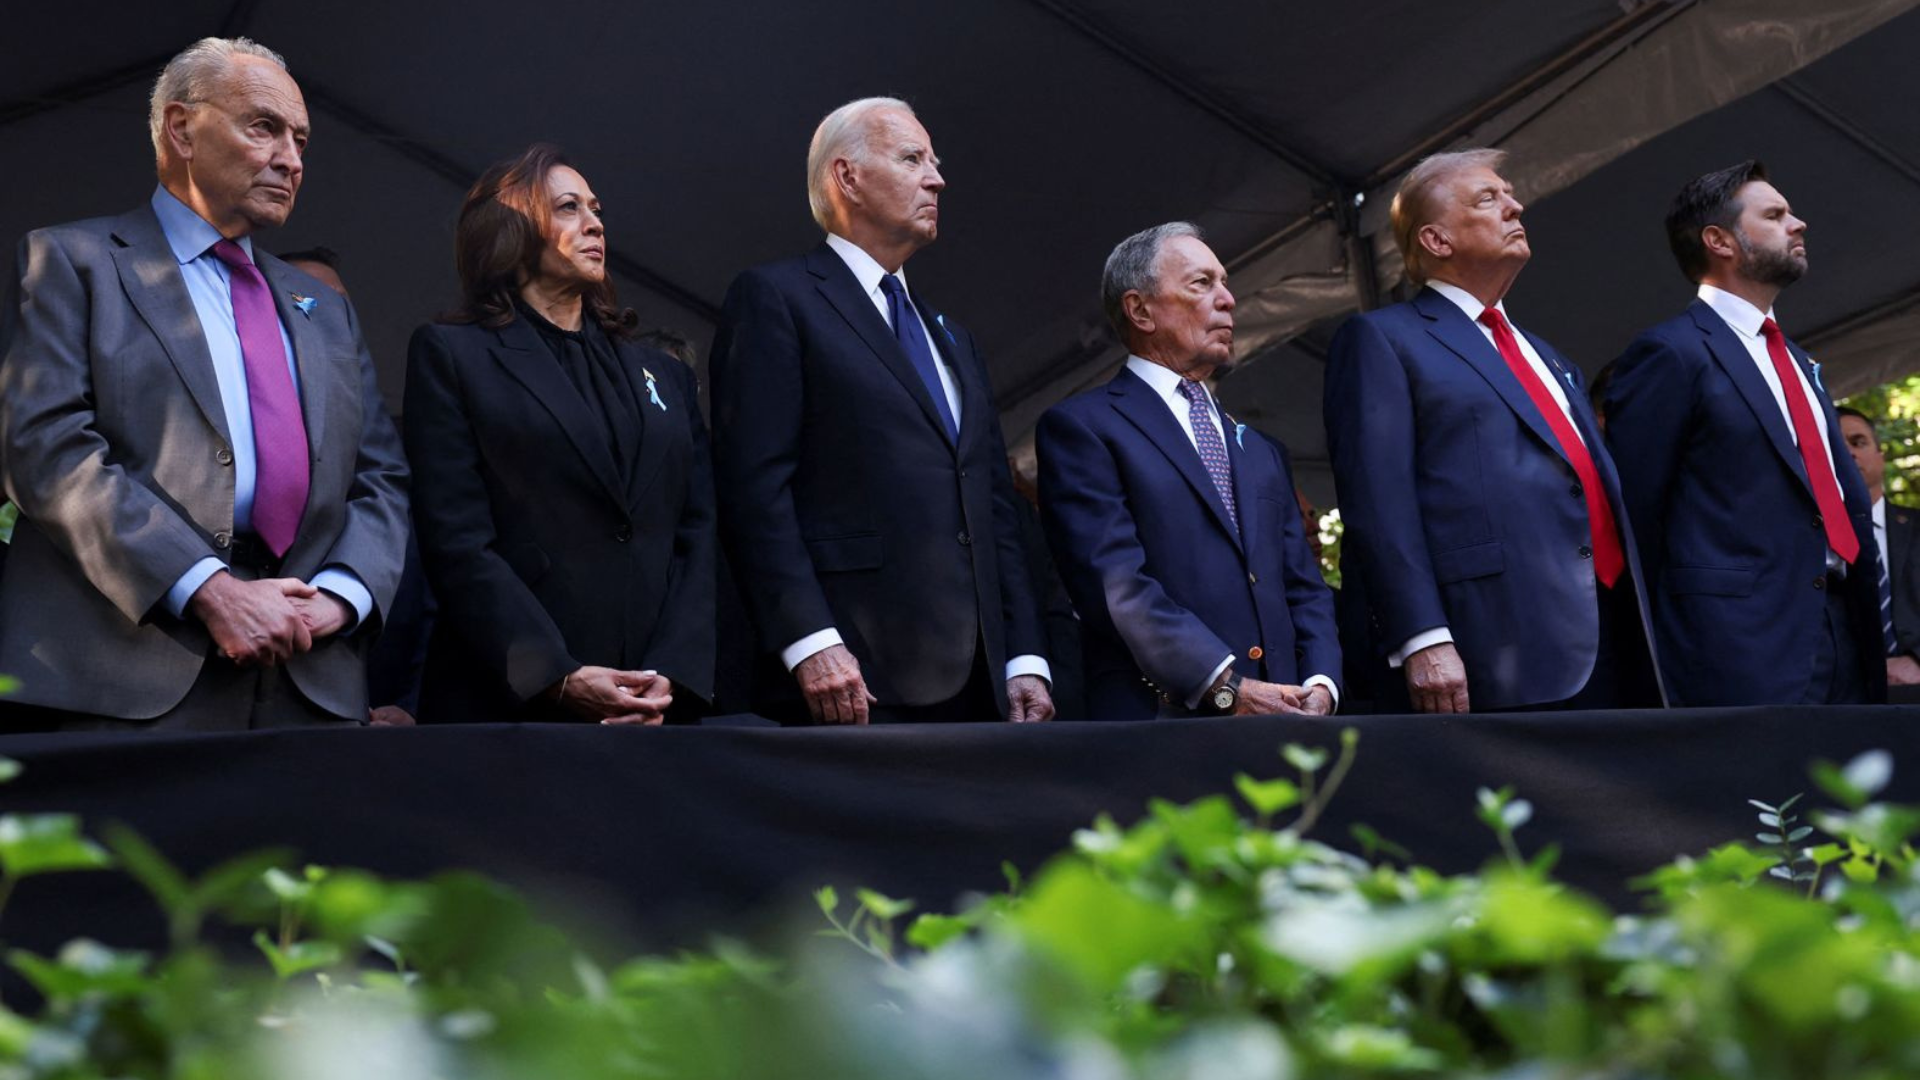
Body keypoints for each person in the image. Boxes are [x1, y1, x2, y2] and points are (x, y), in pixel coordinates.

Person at [0, 37, 408, 730]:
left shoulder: (324, 309)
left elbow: (381, 479)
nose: (291, 159)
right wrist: (207, 588)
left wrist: (340, 596)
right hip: (123, 675)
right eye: (264, 127)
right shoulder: (74, 261)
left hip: (304, 680)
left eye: (301, 141)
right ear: (181, 129)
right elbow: (45, 445)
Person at [710, 96, 1052, 725]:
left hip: (982, 681)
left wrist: (1023, 654)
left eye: (934, 161)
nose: (937, 177)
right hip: (853, 677)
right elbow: (753, 489)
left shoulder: (951, 334)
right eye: (913, 158)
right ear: (848, 178)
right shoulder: (777, 299)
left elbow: (991, 503)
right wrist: (810, 640)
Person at [1324, 148, 1661, 714]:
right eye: (1489, 199)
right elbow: (1377, 502)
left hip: (1613, 627)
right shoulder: (1383, 339)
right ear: (1436, 241)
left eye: (1509, 195)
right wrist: (1422, 636)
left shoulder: (1549, 356)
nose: (1515, 206)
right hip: (1499, 643)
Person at [404, 144, 714, 725]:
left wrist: (675, 674)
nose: (595, 223)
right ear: (509, 231)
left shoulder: (663, 373)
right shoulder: (454, 355)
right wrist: (553, 675)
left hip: (659, 706)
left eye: (595, 209)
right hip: (513, 707)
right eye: (568, 207)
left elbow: (699, 532)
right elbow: (457, 539)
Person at [1606, 160, 1882, 706]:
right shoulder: (1670, 353)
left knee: (1844, 792)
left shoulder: (1799, 361)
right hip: (1735, 645)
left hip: (1841, 628)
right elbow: (1636, 515)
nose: (1798, 223)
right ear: (1720, 241)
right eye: (1775, 214)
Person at [1038, 223, 1339, 720]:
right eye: (1202, 284)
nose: (1227, 299)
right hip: (1160, 724)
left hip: (1292, 723)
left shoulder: (1261, 449)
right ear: (1140, 310)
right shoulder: (1083, 428)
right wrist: (1224, 685)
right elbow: (1115, 584)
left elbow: (1303, 585)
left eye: (1225, 283)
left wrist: (1322, 682)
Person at [1837, 407, 1918, 688]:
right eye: (1836, 444)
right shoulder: (1810, 540)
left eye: (1858, 442)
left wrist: (1917, 661)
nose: (1849, 452)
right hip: (1844, 699)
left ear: (1881, 458)